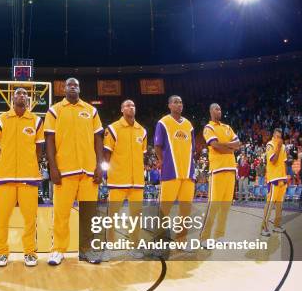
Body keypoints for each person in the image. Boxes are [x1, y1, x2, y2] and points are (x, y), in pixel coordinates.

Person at [44, 77, 104, 266]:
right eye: (70, 85)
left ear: (79, 88)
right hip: (64, 170)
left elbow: (98, 139)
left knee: (89, 214)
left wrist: (99, 166)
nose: (73, 87)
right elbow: (49, 140)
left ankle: (87, 250)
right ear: (64, 89)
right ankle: (58, 250)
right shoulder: (54, 110)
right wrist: (52, 167)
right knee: (61, 214)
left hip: (88, 170)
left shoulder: (91, 110)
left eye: (76, 85)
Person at [0, 88, 44, 267]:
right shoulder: (0, 120)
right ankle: (1, 253)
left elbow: (39, 148)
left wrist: (30, 164)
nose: (21, 95)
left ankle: (30, 253)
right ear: (12, 99)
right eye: (18, 93)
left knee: (30, 219)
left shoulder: (36, 121)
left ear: (28, 100)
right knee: (2, 219)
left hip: (29, 178)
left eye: (24, 94)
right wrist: (3, 163)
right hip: (5, 177)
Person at [103, 99, 147, 259]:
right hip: (117, 180)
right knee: (112, 216)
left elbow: (142, 154)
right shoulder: (113, 128)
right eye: (127, 105)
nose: (131, 107)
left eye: (133, 105)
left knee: (136, 216)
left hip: (137, 182)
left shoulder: (142, 131)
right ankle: (109, 247)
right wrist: (107, 173)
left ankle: (134, 247)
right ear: (122, 109)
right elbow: (107, 153)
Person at [154, 95, 195, 250]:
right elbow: (157, 146)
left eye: (181, 102)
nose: (179, 104)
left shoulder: (189, 125)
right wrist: (162, 161)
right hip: (170, 172)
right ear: (169, 105)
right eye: (175, 102)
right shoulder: (163, 122)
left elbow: (192, 148)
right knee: (165, 209)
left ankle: (181, 241)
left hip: (188, 174)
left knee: (186, 210)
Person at [200, 103, 240, 243]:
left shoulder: (227, 127)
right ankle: (204, 237)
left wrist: (225, 146)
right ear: (211, 111)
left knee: (225, 206)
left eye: (220, 109)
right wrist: (230, 147)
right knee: (213, 205)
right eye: (216, 109)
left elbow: (238, 144)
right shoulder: (208, 128)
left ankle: (219, 236)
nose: (219, 111)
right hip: (217, 171)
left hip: (230, 170)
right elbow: (215, 145)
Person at [261, 129, 288, 236]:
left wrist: (286, 176)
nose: (278, 139)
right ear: (273, 136)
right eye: (276, 136)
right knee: (270, 204)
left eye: (280, 137)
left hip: (282, 178)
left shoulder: (284, 146)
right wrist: (278, 147)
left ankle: (276, 226)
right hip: (273, 179)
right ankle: (264, 227)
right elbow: (273, 160)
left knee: (279, 205)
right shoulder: (270, 145)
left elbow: (284, 161)